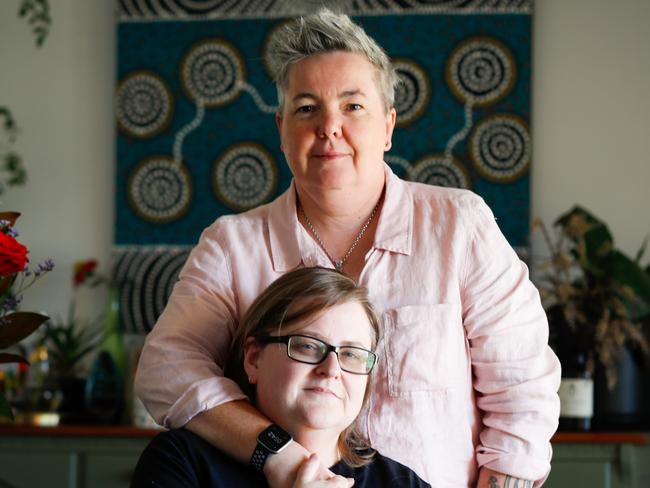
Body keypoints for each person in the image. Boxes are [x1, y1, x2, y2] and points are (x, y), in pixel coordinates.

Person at [134, 8, 560, 488]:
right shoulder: (232, 245)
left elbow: (523, 395)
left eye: (353, 106)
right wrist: (278, 456)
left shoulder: (460, 226)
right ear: (281, 128)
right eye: (307, 108)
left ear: (388, 126)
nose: (329, 127)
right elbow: (165, 368)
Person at [131, 267, 431, 487]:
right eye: (307, 346)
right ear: (253, 358)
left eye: (351, 354)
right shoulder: (181, 461)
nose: (331, 368)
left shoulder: (401, 483)